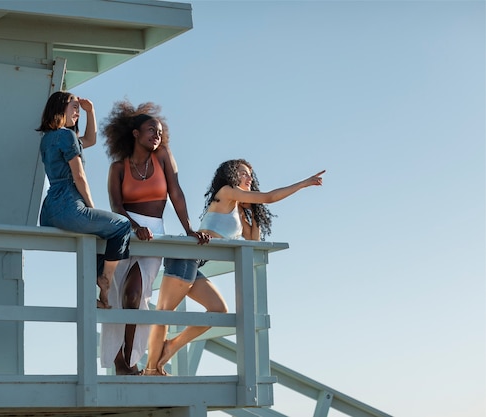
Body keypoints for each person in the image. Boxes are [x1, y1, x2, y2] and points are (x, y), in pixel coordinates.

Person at [144, 159, 325, 375]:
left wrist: (255, 209)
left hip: (195, 263)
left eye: (250, 175)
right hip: (185, 257)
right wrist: (303, 183)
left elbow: (254, 242)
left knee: (218, 310)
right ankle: (151, 369)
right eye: (243, 173)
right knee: (165, 312)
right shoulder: (226, 192)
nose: (249, 178)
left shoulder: (237, 210)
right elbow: (268, 197)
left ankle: (171, 346)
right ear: (231, 175)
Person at [99, 100, 210, 375]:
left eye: (160, 131)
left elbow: (176, 193)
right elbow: (117, 207)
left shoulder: (162, 157)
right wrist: (134, 227)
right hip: (124, 231)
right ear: (135, 133)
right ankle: (118, 361)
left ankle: (131, 359)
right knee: (117, 296)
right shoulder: (118, 168)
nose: (157, 135)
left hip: (153, 235)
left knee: (136, 293)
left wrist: (189, 229)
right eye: (151, 130)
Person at [36, 91, 132, 309]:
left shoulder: (48, 139)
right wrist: (91, 206)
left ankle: (97, 293)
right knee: (121, 226)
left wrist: (91, 112)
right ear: (60, 108)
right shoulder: (66, 136)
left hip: (49, 210)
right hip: (69, 205)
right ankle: (105, 281)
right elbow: (79, 176)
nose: (78, 112)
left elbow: (90, 140)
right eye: (74, 107)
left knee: (98, 239)